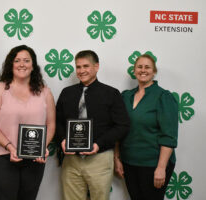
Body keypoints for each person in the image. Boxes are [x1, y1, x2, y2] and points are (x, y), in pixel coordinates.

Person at [56, 50, 130, 200]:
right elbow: (57, 122)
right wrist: (63, 140)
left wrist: (99, 144)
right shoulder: (66, 93)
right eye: (78, 67)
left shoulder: (111, 93)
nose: (81, 71)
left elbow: (122, 125)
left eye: (86, 66)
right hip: (71, 161)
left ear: (96, 67)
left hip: (100, 159)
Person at [0, 45, 56, 200]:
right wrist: (10, 147)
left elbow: (51, 124)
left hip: (34, 158)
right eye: (17, 60)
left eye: (26, 60)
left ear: (33, 65)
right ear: (11, 65)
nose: (22, 64)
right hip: (2, 157)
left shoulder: (45, 92)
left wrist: (43, 146)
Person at [114, 54, 178, 200]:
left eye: (147, 67)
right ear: (134, 70)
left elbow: (169, 136)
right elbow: (119, 129)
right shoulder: (125, 96)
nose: (143, 70)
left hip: (153, 164)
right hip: (129, 162)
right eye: (139, 67)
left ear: (154, 71)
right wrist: (117, 158)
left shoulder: (164, 97)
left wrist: (161, 168)